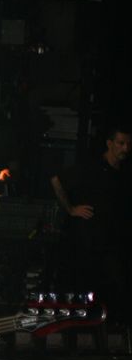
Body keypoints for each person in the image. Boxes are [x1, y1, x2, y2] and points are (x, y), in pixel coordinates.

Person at [49, 122, 132, 324]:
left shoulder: (123, 172)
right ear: (110, 143)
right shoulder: (92, 167)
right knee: (86, 284)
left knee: (113, 285)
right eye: (121, 143)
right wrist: (71, 209)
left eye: (128, 144)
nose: (125, 148)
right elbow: (57, 180)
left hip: (112, 239)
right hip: (88, 239)